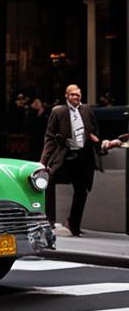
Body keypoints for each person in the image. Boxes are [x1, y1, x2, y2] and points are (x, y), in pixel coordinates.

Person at [42, 83, 101, 237]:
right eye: (73, 94)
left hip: (83, 156)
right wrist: (44, 161)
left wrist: (94, 137)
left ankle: (74, 224)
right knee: (49, 181)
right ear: (67, 96)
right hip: (65, 155)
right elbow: (49, 137)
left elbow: (94, 129)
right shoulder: (59, 111)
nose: (76, 97)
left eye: (78, 95)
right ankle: (49, 220)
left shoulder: (87, 110)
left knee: (82, 190)